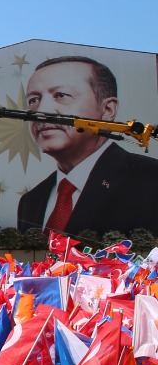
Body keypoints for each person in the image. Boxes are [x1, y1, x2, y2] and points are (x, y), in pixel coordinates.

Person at [15, 55, 158, 234]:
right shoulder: (30, 201)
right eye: (34, 100)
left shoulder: (151, 179)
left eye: (61, 95)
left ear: (107, 109)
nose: (41, 111)